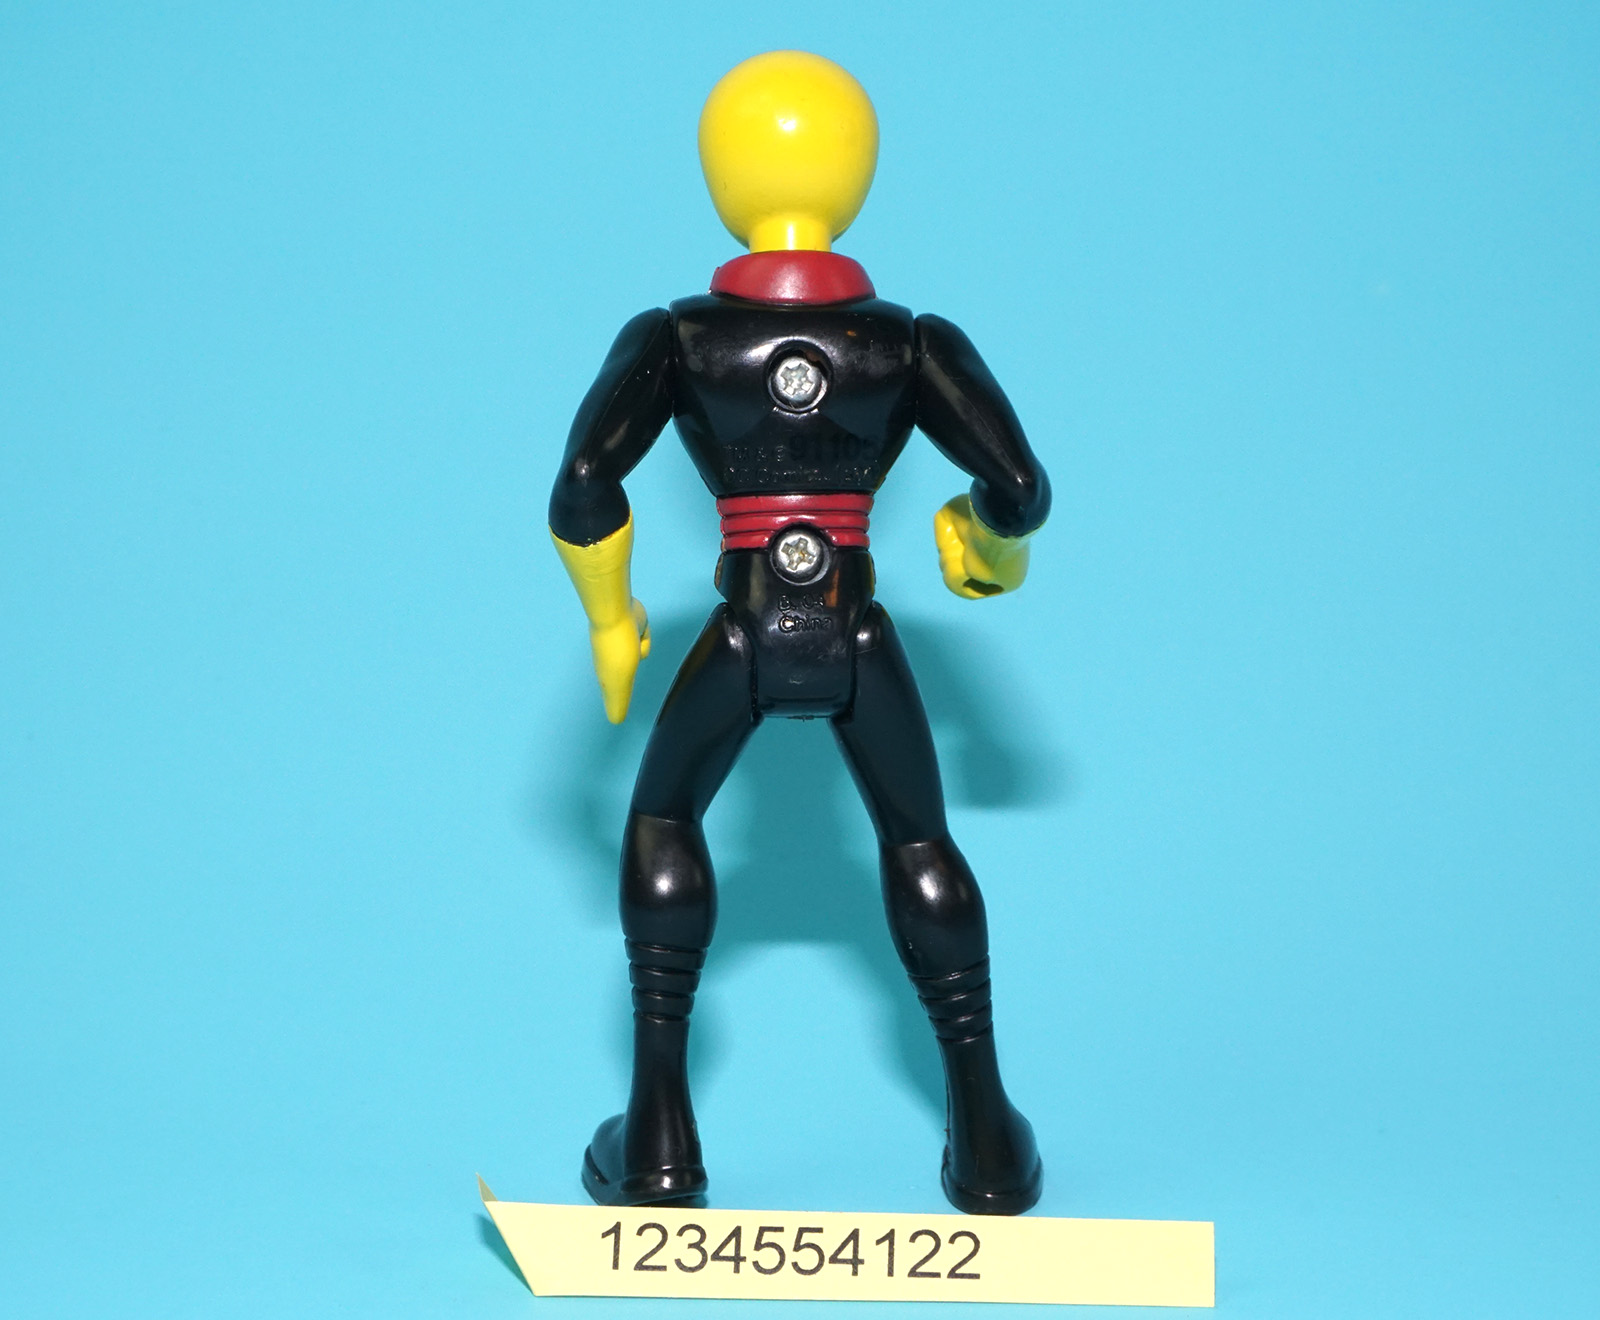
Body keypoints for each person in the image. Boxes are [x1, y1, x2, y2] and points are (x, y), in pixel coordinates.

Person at [549, 50, 1051, 1215]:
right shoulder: (907, 344)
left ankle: (656, 1142)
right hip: (856, 628)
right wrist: (985, 550)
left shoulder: (680, 340)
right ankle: (987, 1143)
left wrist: (613, 618)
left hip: (739, 628)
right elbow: (1020, 487)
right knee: (919, 843)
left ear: (720, 180)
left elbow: (582, 484)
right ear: (857, 177)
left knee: (662, 819)